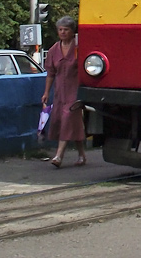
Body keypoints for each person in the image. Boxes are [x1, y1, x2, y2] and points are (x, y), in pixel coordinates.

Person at [41, 16, 87, 168]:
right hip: (60, 91)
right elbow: (50, 73)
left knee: (68, 120)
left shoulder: (78, 48)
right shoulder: (54, 50)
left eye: (66, 30)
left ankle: (59, 156)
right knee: (70, 123)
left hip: (75, 91)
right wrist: (46, 92)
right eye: (60, 30)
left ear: (72, 31)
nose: (62, 32)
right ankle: (81, 155)